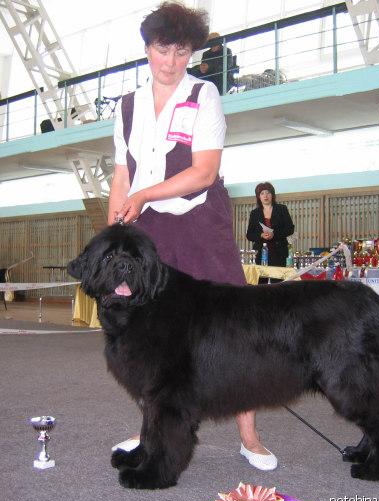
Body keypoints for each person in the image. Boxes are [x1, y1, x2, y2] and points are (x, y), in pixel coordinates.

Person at [108, 2, 277, 471]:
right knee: (150, 332)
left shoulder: (205, 95)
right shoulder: (125, 108)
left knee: (233, 325)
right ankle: (153, 426)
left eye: (182, 52)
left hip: (202, 221)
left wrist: (142, 195)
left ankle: (249, 434)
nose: (172, 62)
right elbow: (121, 177)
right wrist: (115, 237)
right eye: (164, 50)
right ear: (147, 48)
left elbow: (204, 172)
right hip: (150, 229)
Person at [246, 182, 295, 267]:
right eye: (262, 193)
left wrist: (274, 234)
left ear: (272, 195)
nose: (265, 196)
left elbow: (290, 229)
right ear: (259, 196)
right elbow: (249, 234)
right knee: (261, 279)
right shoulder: (254, 213)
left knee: (278, 279)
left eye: (268, 192)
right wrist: (261, 235)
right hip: (260, 252)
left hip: (279, 252)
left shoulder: (282, 209)